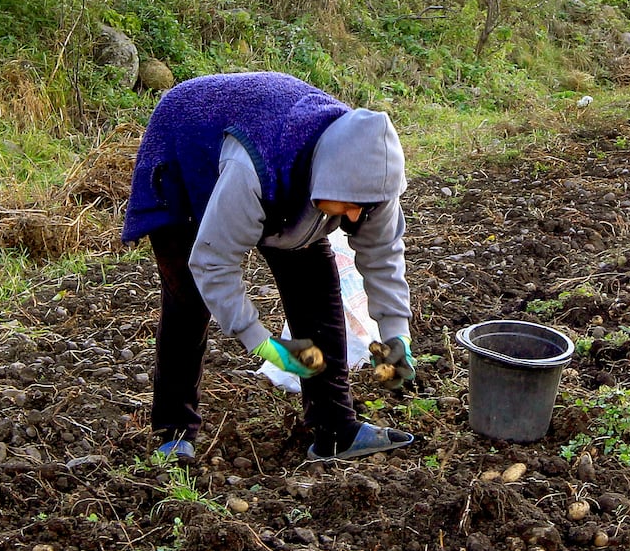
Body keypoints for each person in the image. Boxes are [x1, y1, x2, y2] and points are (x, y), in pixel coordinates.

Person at [122, 71, 417, 463]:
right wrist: (265, 344)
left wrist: (398, 336)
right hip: (187, 143)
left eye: (366, 205)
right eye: (348, 203)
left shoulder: (369, 173)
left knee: (316, 290)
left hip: (284, 174)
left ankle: (335, 431)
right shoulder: (255, 170)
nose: (355, 215)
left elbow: (383, 257)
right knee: (188, 299)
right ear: (325, 180)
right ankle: (174, 430)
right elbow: (213, 262)